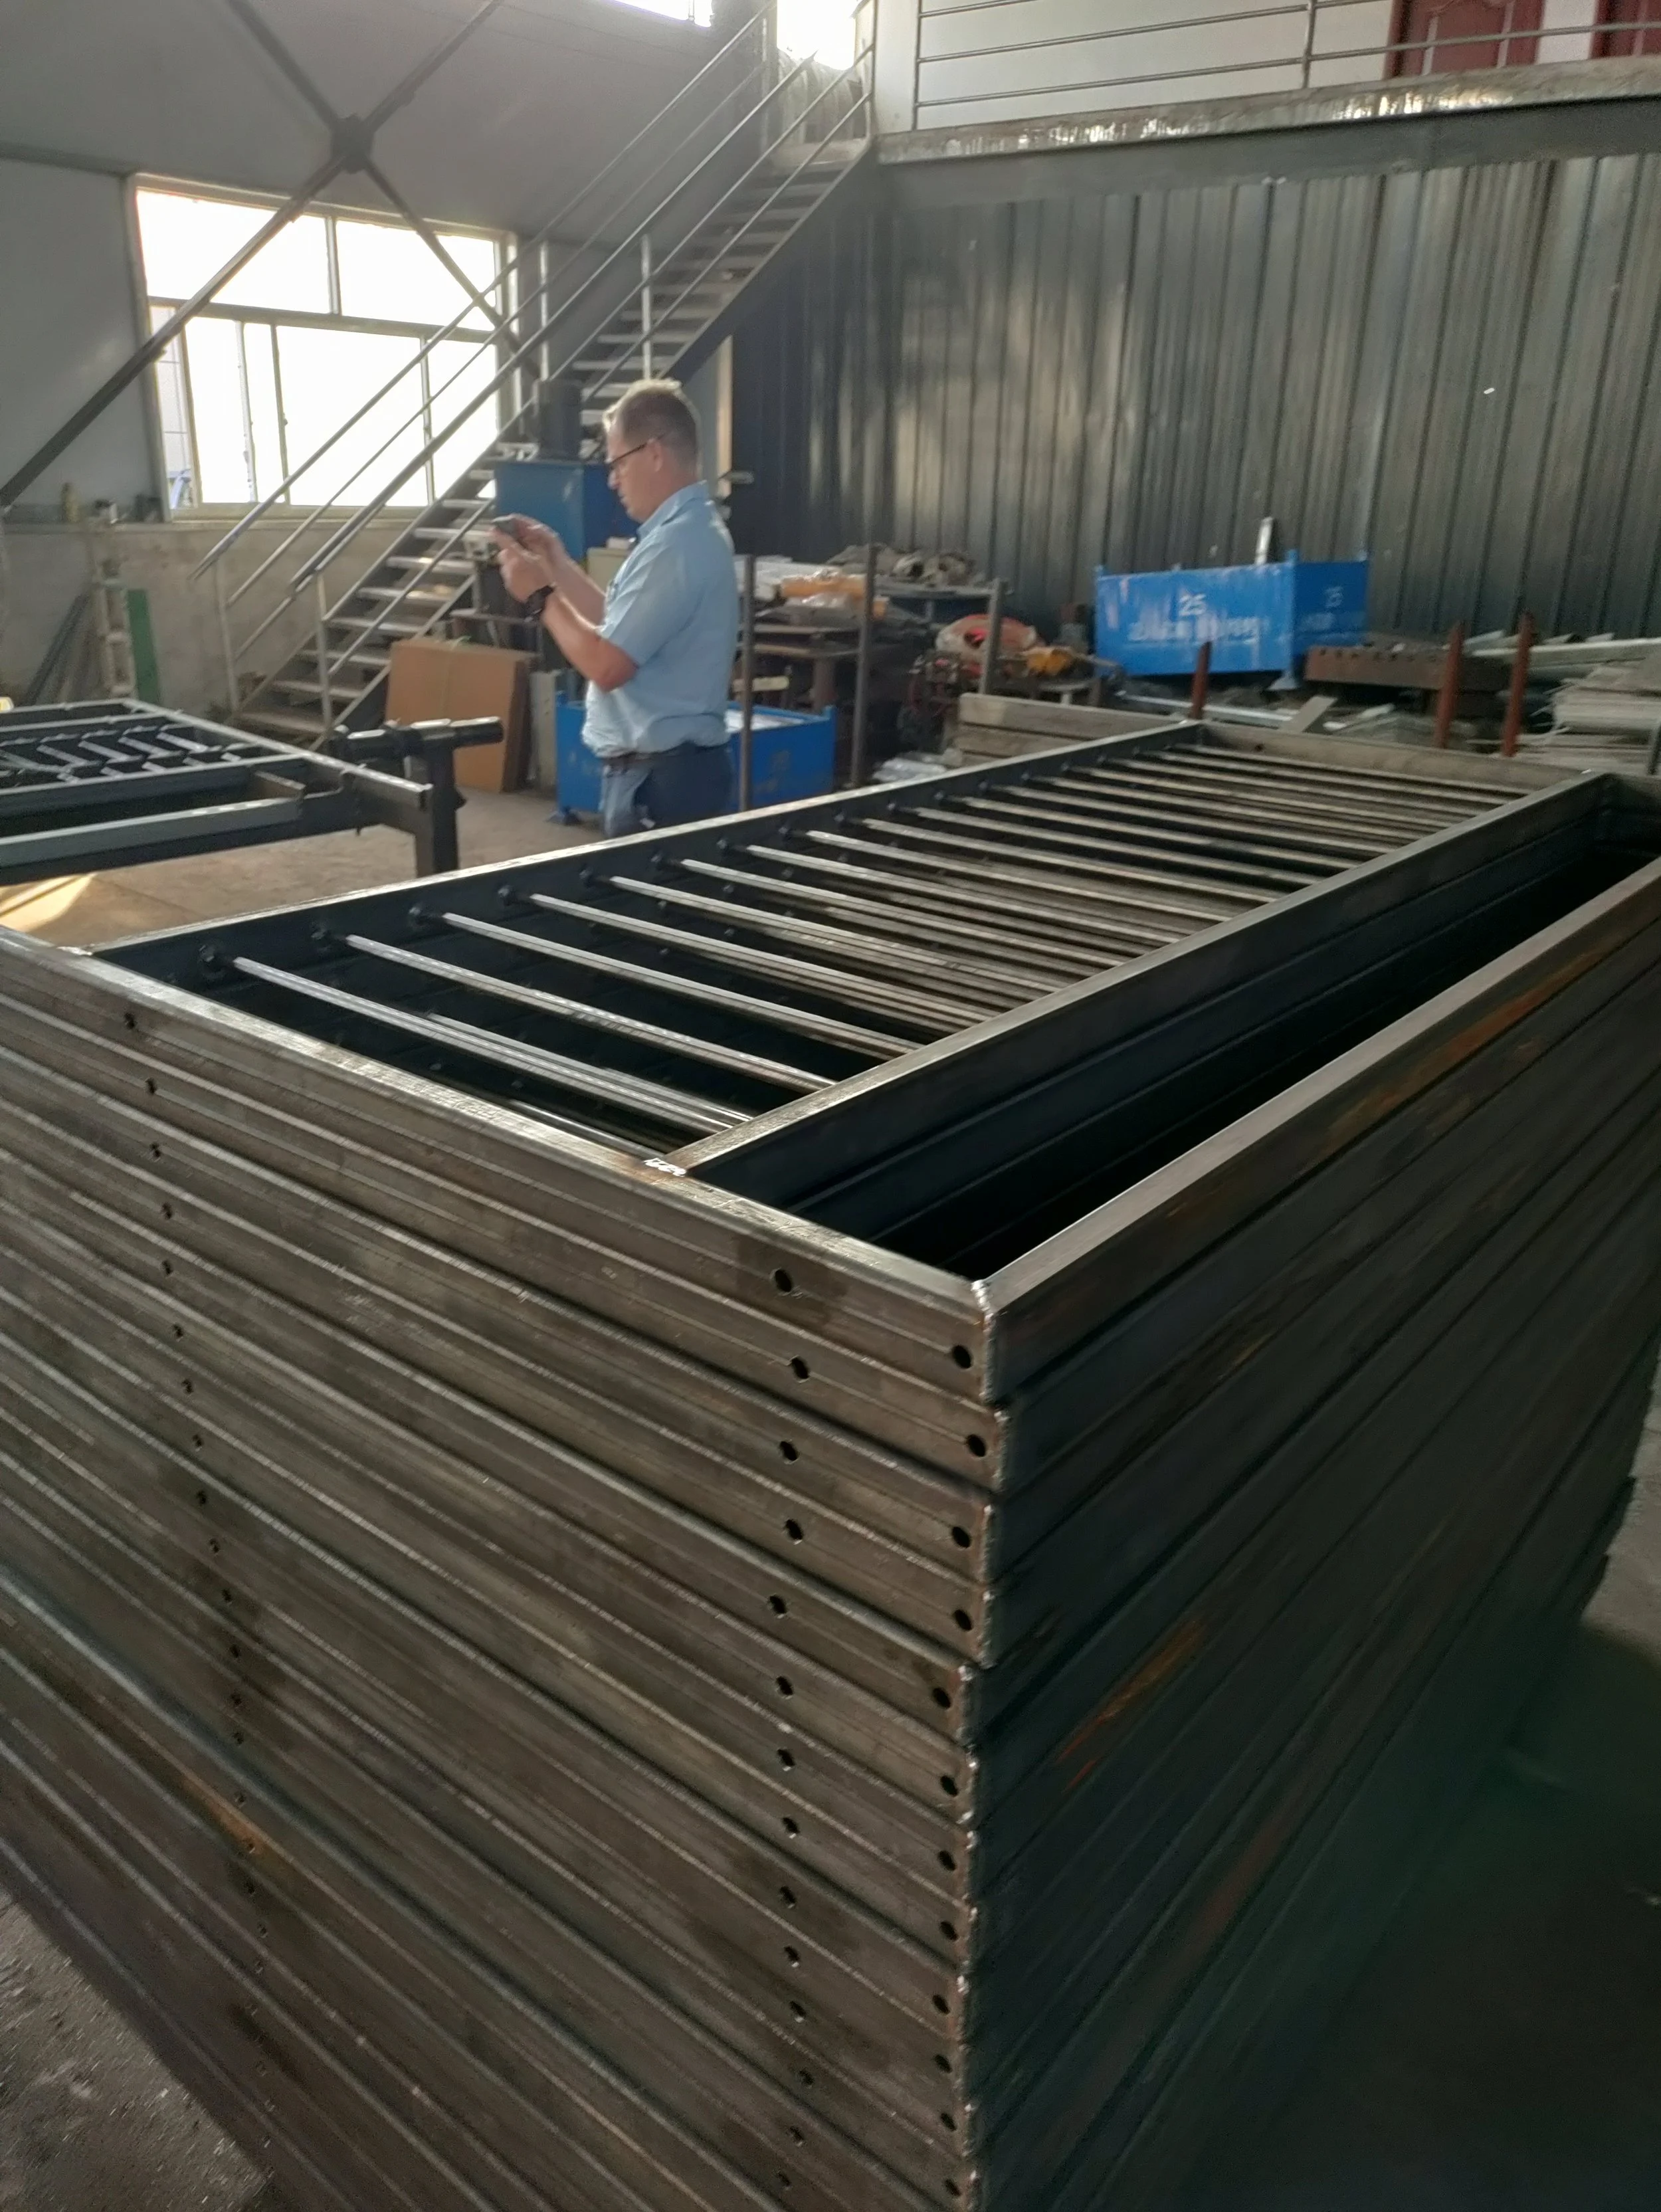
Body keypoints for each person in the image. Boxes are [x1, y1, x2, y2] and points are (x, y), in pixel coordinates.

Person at [493, 379, 739, 840]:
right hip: (666, 775)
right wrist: (555, 560)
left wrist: (541, 597)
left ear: (654, 453)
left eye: (618, 463)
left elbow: (608, 665)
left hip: (664, 783)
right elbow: (616, 624)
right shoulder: (681, 533)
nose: (613, 480)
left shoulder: (677, 545)